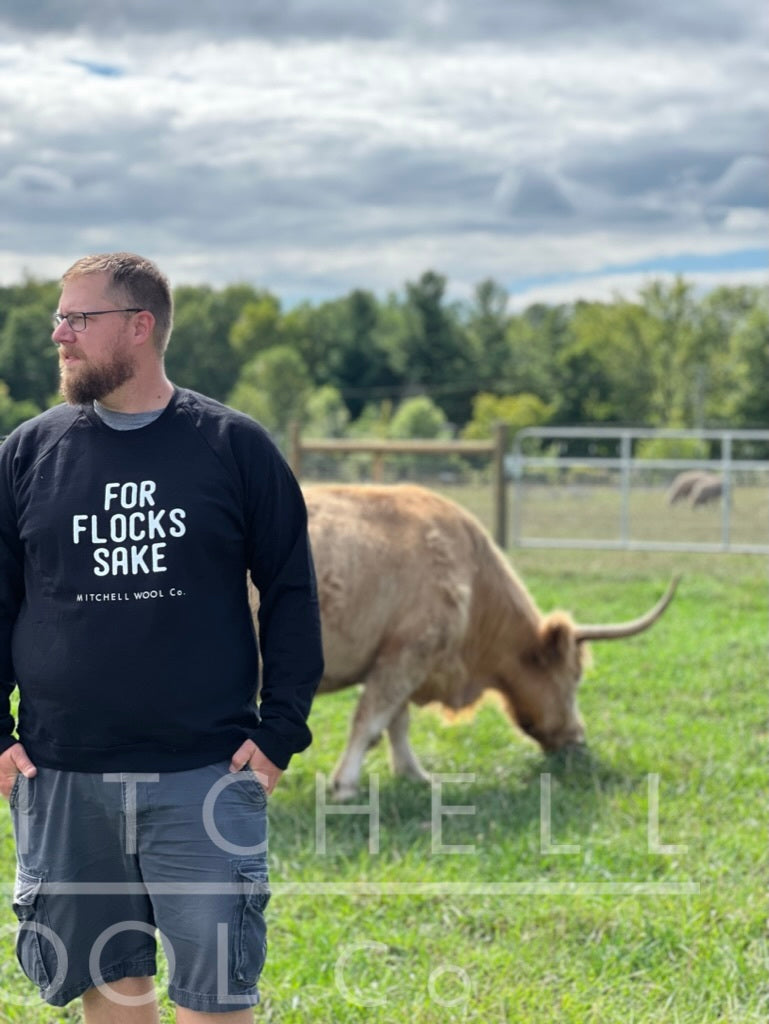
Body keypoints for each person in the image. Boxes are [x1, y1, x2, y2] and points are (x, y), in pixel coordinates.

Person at [0, 252, 324, 1022]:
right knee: (109, 987)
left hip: (202, 774)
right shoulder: (26, 453)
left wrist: (279, 731)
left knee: (216, 996)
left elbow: (291, 592)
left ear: (139, 327)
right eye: (59, 318)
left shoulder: (232, 446)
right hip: (64, 775)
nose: (59, 336)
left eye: (78, 319)